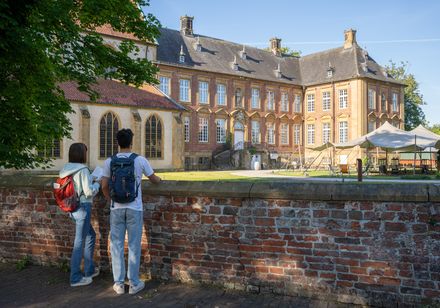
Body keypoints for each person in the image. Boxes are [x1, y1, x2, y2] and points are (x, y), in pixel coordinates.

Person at [101, 129, 161, 295]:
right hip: (134, 208)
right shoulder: (139, 160)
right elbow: (154, 179)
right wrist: (161, 180)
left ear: (117, 143)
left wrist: (109, 200)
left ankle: (119, 284)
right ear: (131, 142)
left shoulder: (109, 161)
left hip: (116, 208)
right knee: (134, 245)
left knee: (117, 245)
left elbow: (104, 185)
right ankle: (134, 283)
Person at [59, 143, 100, 287]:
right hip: (83, 207)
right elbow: (88, 192)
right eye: (85, 152)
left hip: (72, 207)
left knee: (90, 235)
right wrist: (97, 184)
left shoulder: (65, 169)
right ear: (81, 154)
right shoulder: (82, 169)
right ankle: (75, 277)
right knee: (79, 242)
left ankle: (89, 270)